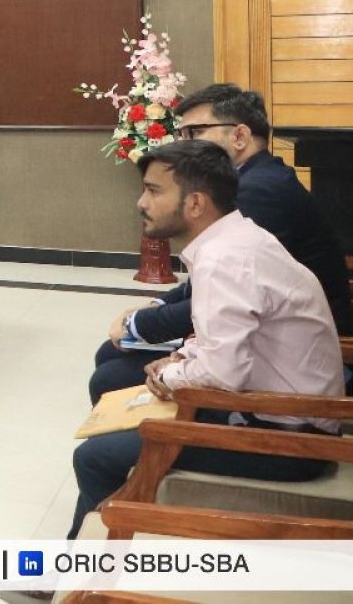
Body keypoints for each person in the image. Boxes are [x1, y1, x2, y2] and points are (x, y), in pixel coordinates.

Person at [66, 140, 341, 539]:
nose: (141, 203)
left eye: (153, 190)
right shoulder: (237, 238)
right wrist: (182, 357)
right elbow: (229, 338)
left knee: (94, 457)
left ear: (195, 203)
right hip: (267, 410)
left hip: (286, 441)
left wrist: (168, 376)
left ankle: (100, 563)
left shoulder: (224, 259)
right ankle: (94, 540)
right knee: (114, 396)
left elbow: (224, 373)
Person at [88, 84, 353, 403]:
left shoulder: (257, 191)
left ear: (240, 136)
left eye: (194, 132)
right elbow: (217, 288)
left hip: (287, 366)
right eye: (181, 134)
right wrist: (158, 313)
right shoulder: (256, 179)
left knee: (110, 376)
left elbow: (225, 292)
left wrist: (142, 329)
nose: (184, 144)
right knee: (113, 357)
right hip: (262, 336)